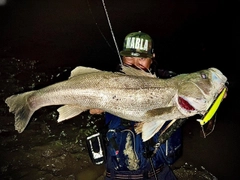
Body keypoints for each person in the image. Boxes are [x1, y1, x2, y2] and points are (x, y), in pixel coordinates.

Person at [89, 31, 182, 180]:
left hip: (159, 174)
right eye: (129, 57)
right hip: (115, 175)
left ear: (152, 57)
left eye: (142, 58)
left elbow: (195, 82)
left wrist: (222, 87)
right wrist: (93, 107)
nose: (135, 63)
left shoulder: (168, 80)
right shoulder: (108, 83)